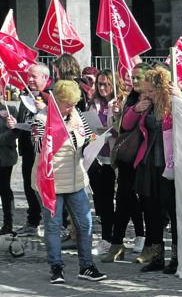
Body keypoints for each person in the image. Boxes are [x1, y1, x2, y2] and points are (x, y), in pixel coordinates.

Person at [31, 80, 106, 284]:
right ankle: (56, 267)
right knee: (54, 226)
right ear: (56, 101)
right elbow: (37, 146)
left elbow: (85, 139)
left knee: (85, 224)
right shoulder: (40, 118)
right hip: (51, 182)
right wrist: (53, 129)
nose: (71, 107)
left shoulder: (77, 116)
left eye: (74, 103)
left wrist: (93, 141)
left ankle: (87, 266)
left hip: (76, 178)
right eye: (67, 103)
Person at [122, 67, 180, 273]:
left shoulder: (173, 105)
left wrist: (179, 100)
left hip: (169, 166)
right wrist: (135, 109)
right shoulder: (145, 106)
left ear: (160, 89)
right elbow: (127, 125)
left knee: (173, 213)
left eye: (149, 91)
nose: (145, 94)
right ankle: (156, 258)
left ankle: (176, 257)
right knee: (151, 213)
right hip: (147, 165)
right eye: (143, 90)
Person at [102, 63, 148, 263]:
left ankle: (149, 243)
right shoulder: (131, 99)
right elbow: (125, 126)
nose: (135, 81)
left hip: (146, 158)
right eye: (133, 77)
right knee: (122, 200)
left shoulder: (156, 98)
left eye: (140, 77)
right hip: (128, 158)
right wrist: (127, 111)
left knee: (146, 202)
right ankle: (116, 243)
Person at [87, 69, 127, 256]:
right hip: (96, 155)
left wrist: (113, 123)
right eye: (99, 84)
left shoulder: (119, 103)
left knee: (118, 200)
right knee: (101, 200)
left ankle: (113, 238)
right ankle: (105, 237)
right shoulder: (93, 104)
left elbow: (123, 129)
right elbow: (89, 128)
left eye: (106, 84)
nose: (102, 88)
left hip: (113, 156)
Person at [14, 63, 51, 236]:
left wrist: (45, 109)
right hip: (28, 148)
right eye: (29, 76)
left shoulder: (52, 95)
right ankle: (33, 221)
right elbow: (23, 118)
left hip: (46, 150)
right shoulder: (24, 94)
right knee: (29, 186)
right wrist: (14, 124)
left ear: (45, 77)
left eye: (33, 76)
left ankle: (58, 223)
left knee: (48, 188)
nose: (29, 79)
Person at [0, 104, 18, 235]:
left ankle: (8, 224)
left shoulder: (10, 109)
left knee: (4, 189)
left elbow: (16, 132)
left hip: (4, 157)